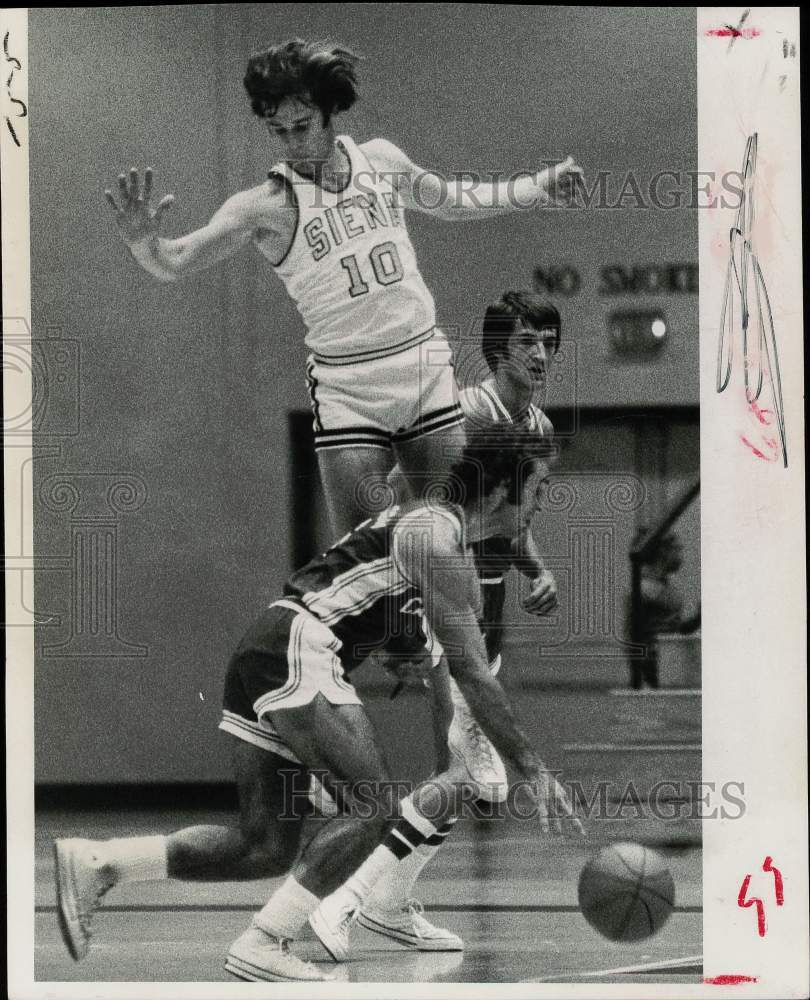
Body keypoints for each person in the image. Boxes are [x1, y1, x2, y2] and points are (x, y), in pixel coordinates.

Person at [54, 427, 582, 982]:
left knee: (265, 848)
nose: (541, 507)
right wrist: (532, 767)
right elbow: (473, 673)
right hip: (296, 647)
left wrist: (393, 643)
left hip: (266, 649)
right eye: (539, 491)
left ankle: (103, 862)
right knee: (375, 806)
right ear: (501, 492)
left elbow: (366, 589)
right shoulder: (437, 536)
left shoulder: (433, 533)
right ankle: (265, 942)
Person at [103, 38, 584, 537]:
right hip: (349, 388)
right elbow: (177, 259)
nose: (292, 142)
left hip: (420, 366)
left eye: (302, 126)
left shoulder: (381, 161)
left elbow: (455, 201)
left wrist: (538, 185)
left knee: (453, 535)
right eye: (278, 131)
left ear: (330, 113)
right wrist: (145, 244)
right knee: (360, 553)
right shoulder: (265, 205)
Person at [307, 292, 565, 957]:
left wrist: (534, 567)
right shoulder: (461, 414)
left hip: (484, 608)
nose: (540, 355)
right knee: (469, 774)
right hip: (437, 595)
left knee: (470, 778)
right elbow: (399, 495)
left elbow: (510, 518)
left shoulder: (536, 425)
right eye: (528, 342)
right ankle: (344, 901)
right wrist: (401, 605)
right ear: (497, 351)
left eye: (549, 342)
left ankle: (390, 903)